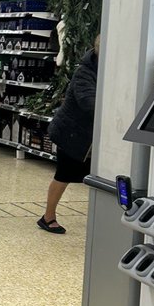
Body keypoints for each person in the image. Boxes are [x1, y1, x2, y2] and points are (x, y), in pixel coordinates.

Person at [38, 36, 99, 234]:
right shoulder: (85, 72)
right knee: (63, 175)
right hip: (71, 134)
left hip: (88, 137)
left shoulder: (107, 70)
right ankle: (48, 217)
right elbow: (88, 102)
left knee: (95, 179)